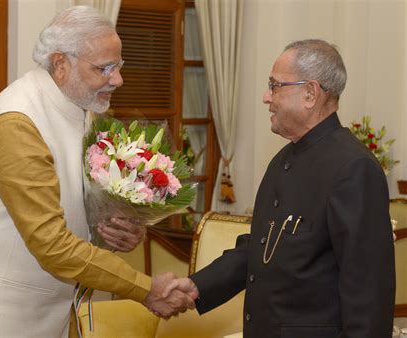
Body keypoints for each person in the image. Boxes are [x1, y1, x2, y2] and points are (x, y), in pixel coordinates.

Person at [0, 6, 195, 338]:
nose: (117, 79)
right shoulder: (16, 124)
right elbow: (52, 245)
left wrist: (112, 229)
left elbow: (71, 205)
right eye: (104, 68)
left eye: (119, 66)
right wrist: (146, 288)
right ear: (60, 64)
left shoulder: (81, 109)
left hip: (48, 314)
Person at [165, 39, 396, 338]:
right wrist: (198, 286)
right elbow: (260, 248)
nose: (266, 96)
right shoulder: (282, 161)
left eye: (275, 85)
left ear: (310, 93)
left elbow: (369, 293)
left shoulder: (353, 168)